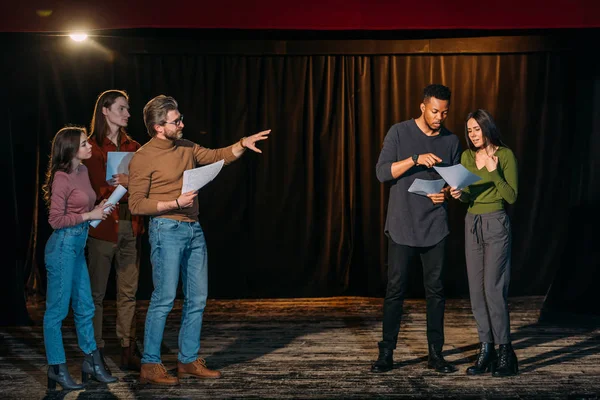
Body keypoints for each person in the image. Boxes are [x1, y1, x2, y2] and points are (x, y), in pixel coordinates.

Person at [128, 95, 270, 385]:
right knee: (164, 299)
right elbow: (136, 205)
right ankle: (150, 365)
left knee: (198, 299)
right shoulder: (143, 156)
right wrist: (174, 202)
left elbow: (217, 156)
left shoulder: (187, 146)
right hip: (166, 229)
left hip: (193, 229)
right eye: (176, 121)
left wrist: (242, 143)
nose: (182, 123)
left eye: (180, 118)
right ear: (158, 127)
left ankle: (188, 360)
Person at [372, 84, 461, 374]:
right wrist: (414, 159)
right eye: (435, 111)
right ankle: (387, 353)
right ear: (422, 107)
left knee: (435, 291)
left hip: (435, 225)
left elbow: (454, 180)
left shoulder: (451, 141)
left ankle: (436, 354)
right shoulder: (399, 132)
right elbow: (382, 173)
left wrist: (445, 192)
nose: (439, 117)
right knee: (395, 290)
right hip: (402, 224)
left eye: (445, 112)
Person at [42, 126, 118, 390]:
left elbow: (85, 206)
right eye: (85, 144)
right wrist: (89, 216)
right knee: (57, 312)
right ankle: (56, 368)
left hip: (77, 248)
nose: (89, 147)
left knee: (86, 307)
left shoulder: (83, 171)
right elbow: (55, 220)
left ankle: (92, 363)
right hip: (62, 247)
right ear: (71, 149)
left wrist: (100, 208)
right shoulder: (62, 177)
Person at [449, 109, 518, 377]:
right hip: (472, 223)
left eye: (477, 129)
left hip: (496, 222)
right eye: (469, 130)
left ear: (487, 128)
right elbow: (468, 195)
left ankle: (505, 353)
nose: (473, 135)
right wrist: (459, 193)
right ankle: (486, 348)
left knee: (493, 289)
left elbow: (511, 197)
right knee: (476, 292)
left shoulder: (505, 155)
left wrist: (495, 171)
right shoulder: (467, 157)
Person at [83, 90, 144, 371]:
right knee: (96, 294)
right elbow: (82, 190)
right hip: (101, 228)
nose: (128, 114)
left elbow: (147, 185)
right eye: (122, 108)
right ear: (105, 110)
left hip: (129, 225)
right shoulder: (89, 147)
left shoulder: (135, 147)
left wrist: (131, 182)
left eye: (128, 109)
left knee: (128, 292)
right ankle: (94, 352)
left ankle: (127, 348)